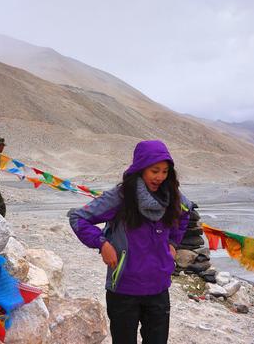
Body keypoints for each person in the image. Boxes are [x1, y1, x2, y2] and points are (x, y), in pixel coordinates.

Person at [68, 140, 191, 344]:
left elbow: (185, 214)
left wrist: (173, 244)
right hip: (125, 288)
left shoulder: (171, 196)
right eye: (155, 171)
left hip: (158, 287)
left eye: (165, 171)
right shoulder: (120, 197)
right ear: (141, 168)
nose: (160, 177)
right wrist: (102, 244)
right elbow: (78, 218)